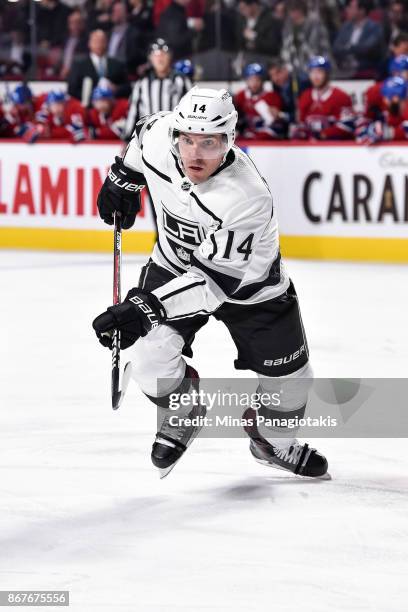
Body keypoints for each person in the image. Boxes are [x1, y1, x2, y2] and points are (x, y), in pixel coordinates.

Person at [92, 86, 329, 479]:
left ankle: (272, 441)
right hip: (172, 266)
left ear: (229, 140)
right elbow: (141, 135)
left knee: (292, 387)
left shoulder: (247, 196)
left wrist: (146, 308)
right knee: (150, 360)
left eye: (209, 142)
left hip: (253, 290)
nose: (194, 153)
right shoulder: (158, 135)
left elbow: (211, 285)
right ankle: (183, 409)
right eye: (187, 139)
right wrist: (124, 177)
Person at [124, 39, 192, 140]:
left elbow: (191, 107)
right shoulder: (142, 83)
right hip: (148, 137)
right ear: (150, 58)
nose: (160, 58)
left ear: (170, 57)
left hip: (176, 138)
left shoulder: (181, 81)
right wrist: (127, 138)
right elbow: (134, 112)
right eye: (156, 55)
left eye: (164, 54)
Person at [291, 56, 354, 140]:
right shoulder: (305, 96)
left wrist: (322, 135)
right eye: (312, 72)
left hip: (334, 148)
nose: (315, 76)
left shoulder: (341, 96)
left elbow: (347, 126)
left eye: (319, 72)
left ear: (327, 74)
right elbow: (301, 124)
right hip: (310, 148)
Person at [68, 29, 130, 104]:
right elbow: (72, 89)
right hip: (88, 108)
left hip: (112, 107)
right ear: (89, 43)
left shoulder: (117, 64)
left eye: (102, 41)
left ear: (107, 43)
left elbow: (127, 88)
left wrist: (116, 89)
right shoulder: (79, 64)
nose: (99, 44)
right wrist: (93, 96)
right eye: (95, 41)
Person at [333, 0, 384, 78]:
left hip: (366, 69)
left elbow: (367, 49)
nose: (347, 10)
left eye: (351, 7)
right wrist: (353, 49)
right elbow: (336, 48)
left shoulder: (375, 28)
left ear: (362, 11)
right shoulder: (345, 27)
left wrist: (348, 47)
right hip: (344, 67)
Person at [234, 63, 286, 139]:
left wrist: (277, 115)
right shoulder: (240, 96)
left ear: (263, 81)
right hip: (246, 134)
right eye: (251, 79)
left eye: (257, 79)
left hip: (265, 134)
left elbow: (278, 120)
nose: (254, 83)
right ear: (246, 80)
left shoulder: (272, 96)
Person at [280, 0, 332, 74]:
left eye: (295, 11)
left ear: (301, 11)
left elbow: (317, 48)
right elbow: (285, 47)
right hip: (294, 65)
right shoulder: (288, 26)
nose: (292, 14)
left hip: (316, 62)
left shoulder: (314, 24)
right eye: (290, 11)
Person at [357, 76, 408, 143]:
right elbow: (360, 130)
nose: (384, 100)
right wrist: (370, 129)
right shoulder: (381, 109)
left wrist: (388, 132)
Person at [365, 53, 408, 121]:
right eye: (406, 70)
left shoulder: (376, 88)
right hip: (386, 126)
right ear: (395, 71)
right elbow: (367, 117)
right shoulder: (376, 89)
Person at [268, 59, 310, 124]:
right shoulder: (276, 86)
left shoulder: (301, 82)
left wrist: (282, 115)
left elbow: (303, 113)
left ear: (286, 69)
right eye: (272, 76)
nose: (275, 78)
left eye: (278, 73)